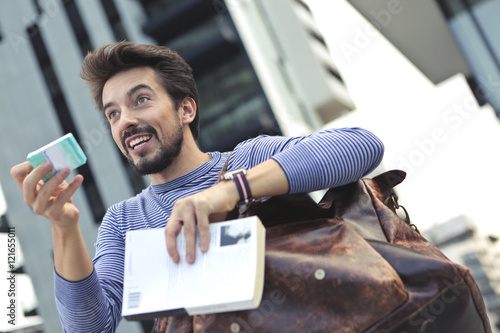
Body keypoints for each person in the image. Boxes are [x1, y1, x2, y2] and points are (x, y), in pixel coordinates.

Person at [10, 41, 384, 332]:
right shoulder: (123, 221)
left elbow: (362, 146)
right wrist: (64, 227)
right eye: (113, 113)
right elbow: (90, 327)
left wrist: (228, 190)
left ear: (186, 110)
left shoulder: (245, 161)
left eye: (140, 100)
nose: (126, 120)